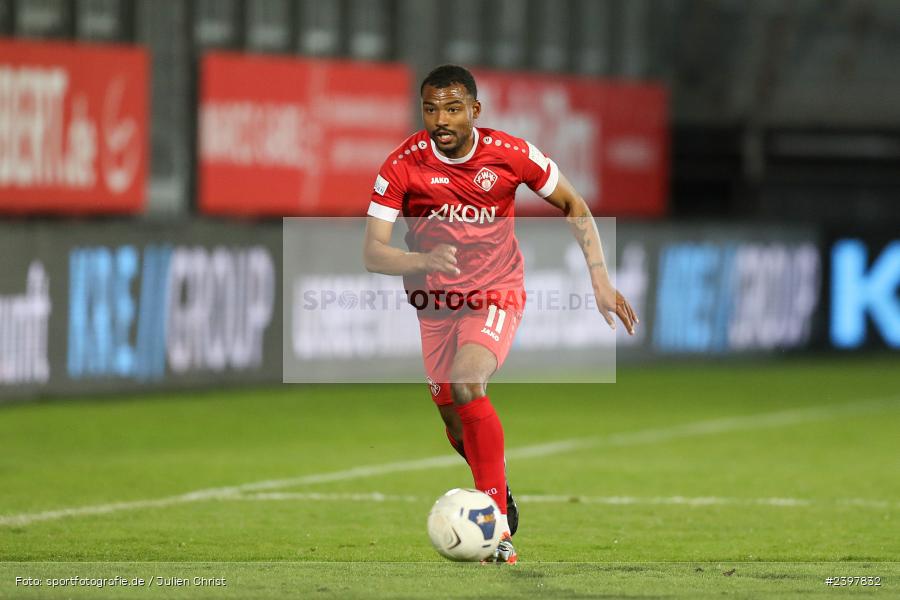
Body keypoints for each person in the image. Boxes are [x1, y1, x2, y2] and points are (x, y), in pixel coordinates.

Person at [363, 65, 638, 564]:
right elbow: (373, 252)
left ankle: (494, 524)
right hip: (434, 304)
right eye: (430, 109)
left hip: (495, 292)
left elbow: (573, 202)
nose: (440, 119)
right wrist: (420, 261)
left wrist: (599, 277)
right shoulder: (401, 165)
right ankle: (498, 487)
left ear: (475, 110)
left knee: (469, 383)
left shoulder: (510, 155)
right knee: (452, 415)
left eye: (451, 108)